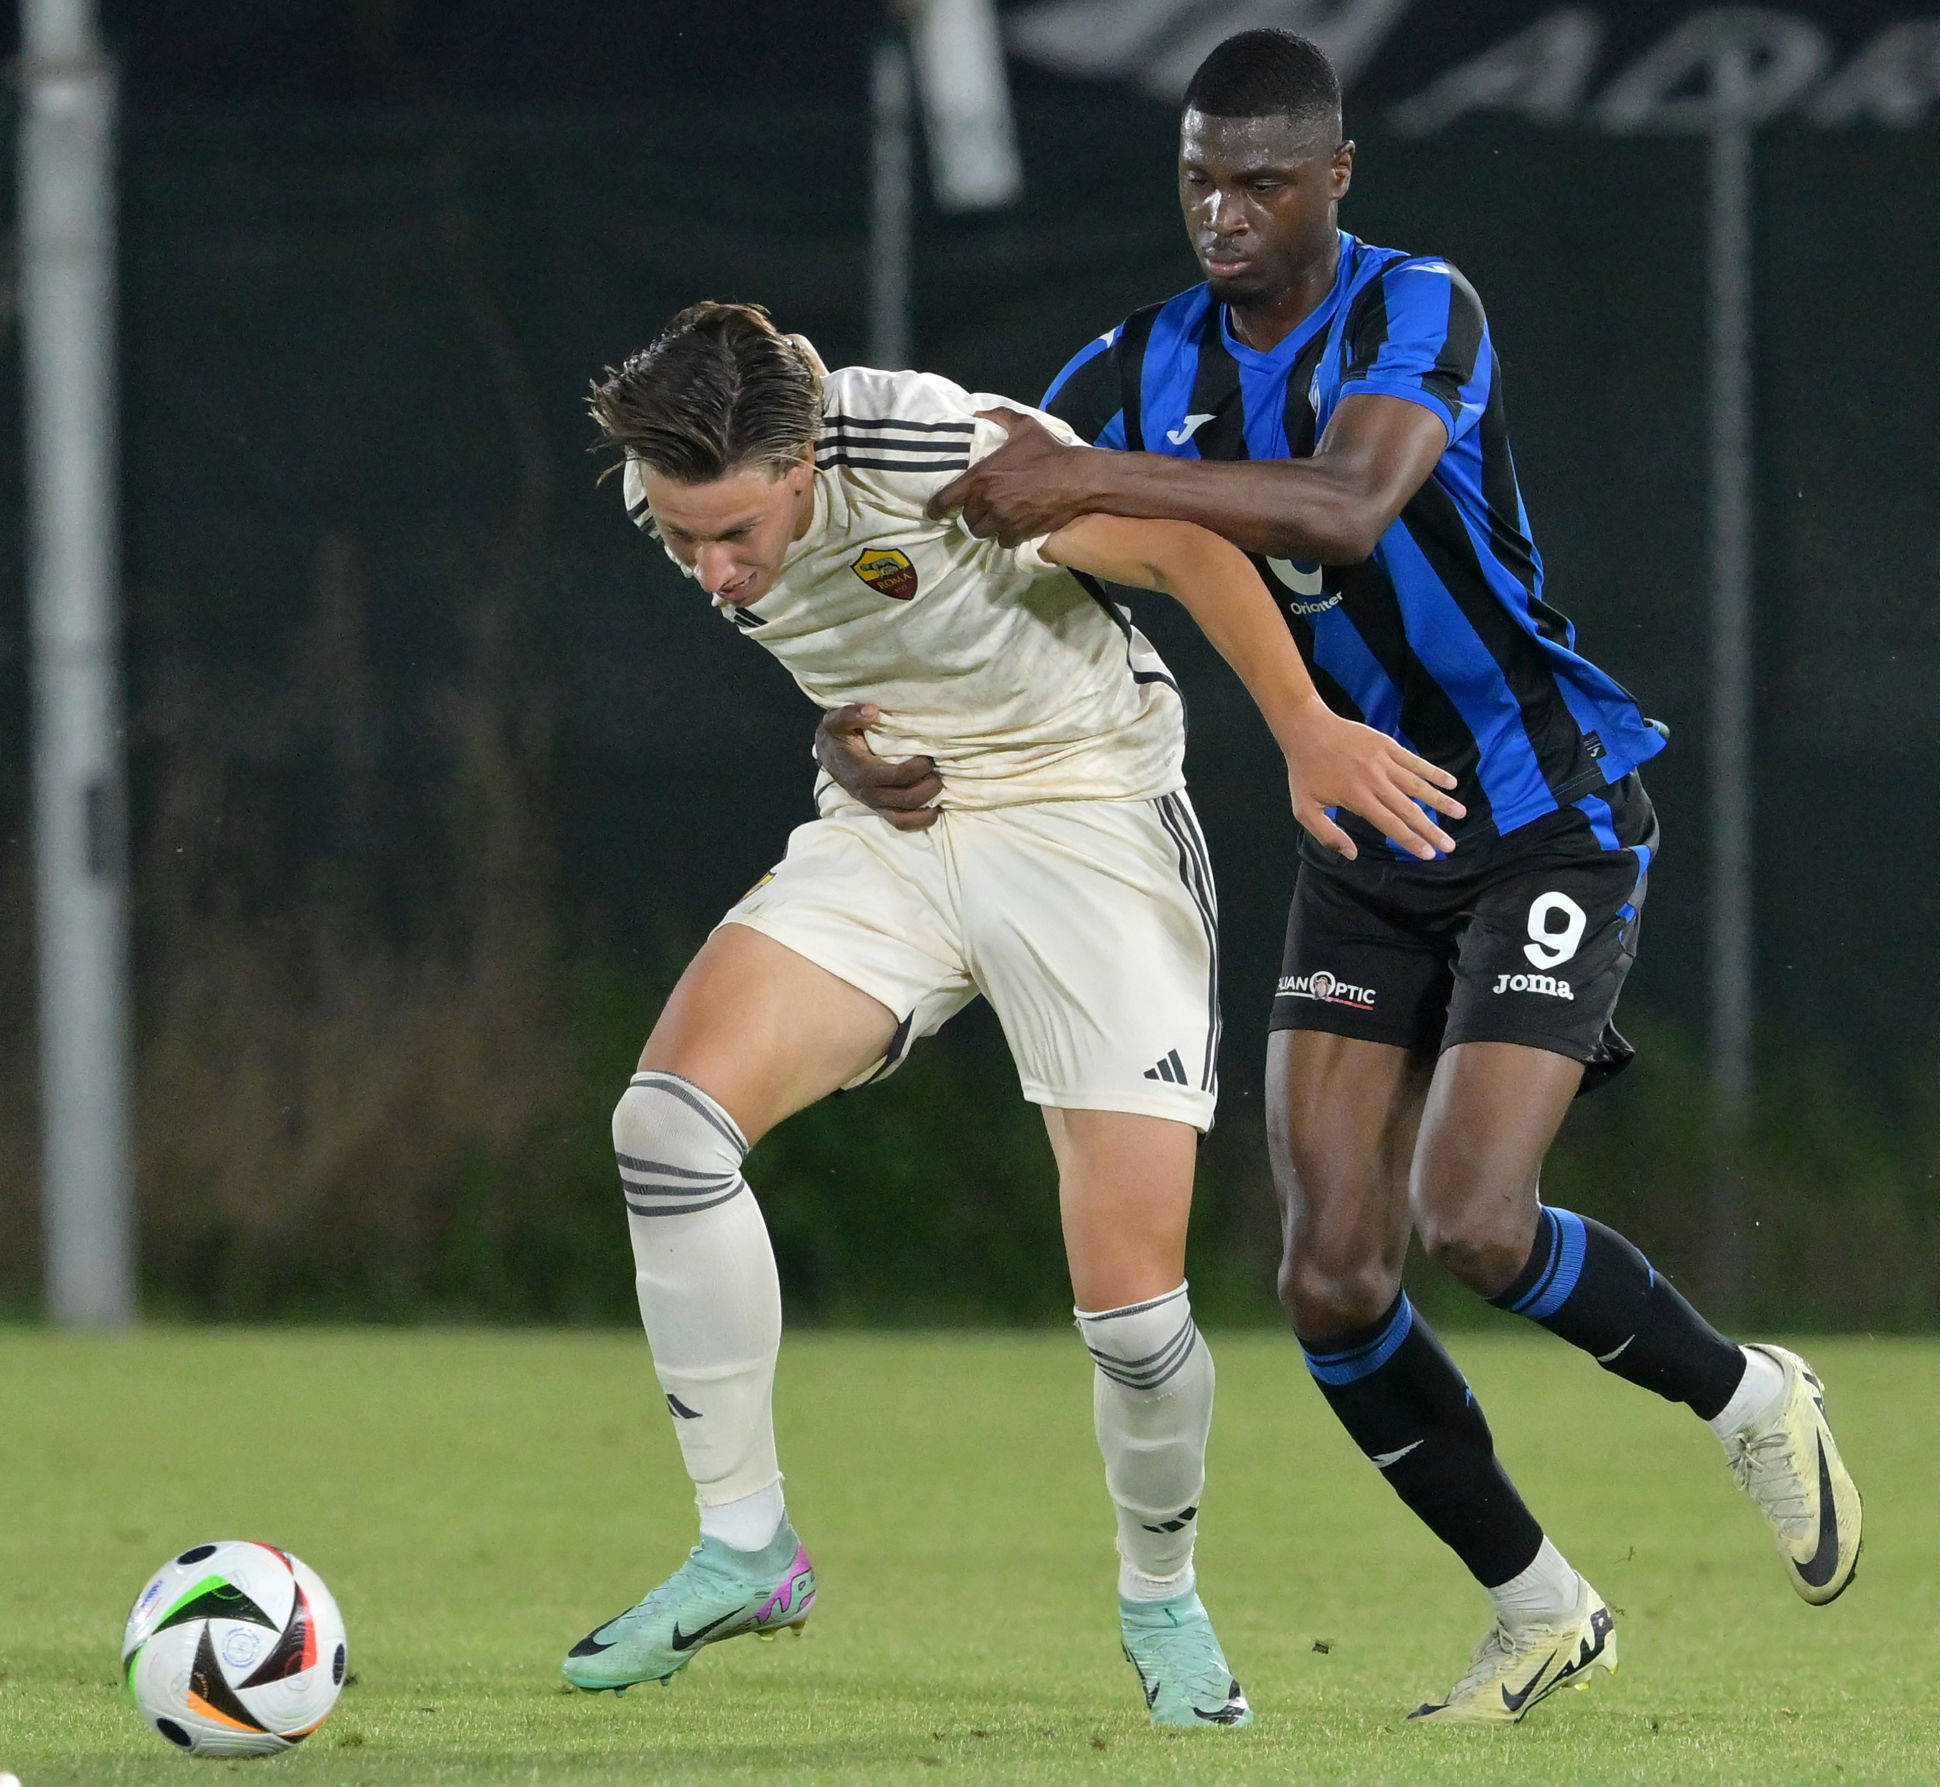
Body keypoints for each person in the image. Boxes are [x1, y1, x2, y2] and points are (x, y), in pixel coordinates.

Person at [818, 29, 1863, 1726]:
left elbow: (1347, 505)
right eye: (1199, 181)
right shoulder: (1135, 364)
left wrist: (1091, 473)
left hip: (1538, 807)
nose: (1224, 214)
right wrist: (851, 721)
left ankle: (1747, 1398)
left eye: (1262, 182)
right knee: (1327, 1274)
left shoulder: (1416, 306)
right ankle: (1538, 1608)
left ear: (1336, 178)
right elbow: (968, 553)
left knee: (1475, 1220)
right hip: (1365, 841)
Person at [561, 300, 1461, 1729]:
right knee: (665, 1132)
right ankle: (745, 1547)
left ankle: (1162, 1601)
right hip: (900, 828)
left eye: (734, 533)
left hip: (1086, 824)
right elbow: (860, 625)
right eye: (683, 540)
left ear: (804, 461)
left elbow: (1184, 549)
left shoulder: (934, 451)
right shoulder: (676, 476)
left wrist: (1304, 730)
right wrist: (835, 741)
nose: (714, 569)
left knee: (1133, 1314)